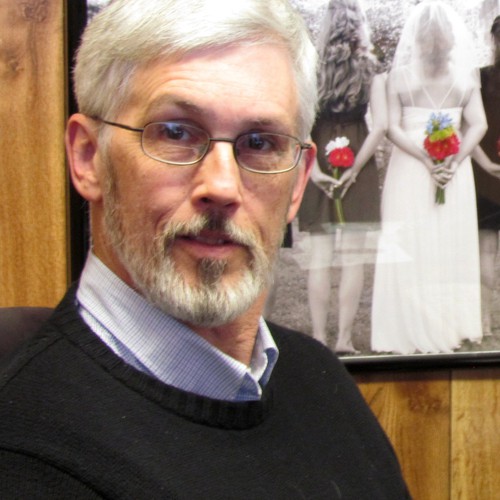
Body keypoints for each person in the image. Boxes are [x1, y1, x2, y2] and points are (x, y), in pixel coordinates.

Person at [0, 0, 410, 497]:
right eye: (175, 133)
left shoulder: (319, 378)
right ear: (89, 158)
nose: (222, 186)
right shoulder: (26, 458)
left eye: (260, 143)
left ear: (298, 184)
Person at [371, 1, 487, 354]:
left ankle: (406, 327)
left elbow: (391, 127)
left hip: (410, 168)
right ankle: (451, 325)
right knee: (448, 241)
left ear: (416, 39)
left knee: (411, 241)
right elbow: (478, 124)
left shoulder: (399, 77)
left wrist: (424, 158)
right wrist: (454, 159)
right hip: (453, 170)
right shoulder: (465, 77)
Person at [297, 0, 386, 353]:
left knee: (319, 258)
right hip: (358, 156)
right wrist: (354, 170)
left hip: (318, 151)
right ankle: (344, 338)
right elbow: (380, 126)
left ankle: (320, 336)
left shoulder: (310, 67)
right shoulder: (370, 68)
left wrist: (315, 169)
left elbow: (300, 122)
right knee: (353, 258)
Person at [471, 15, 500, 336]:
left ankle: (485, 321)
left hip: (485, 176)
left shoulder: (479, 78)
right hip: (486, 175)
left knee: (486, 252)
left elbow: (469, 125)